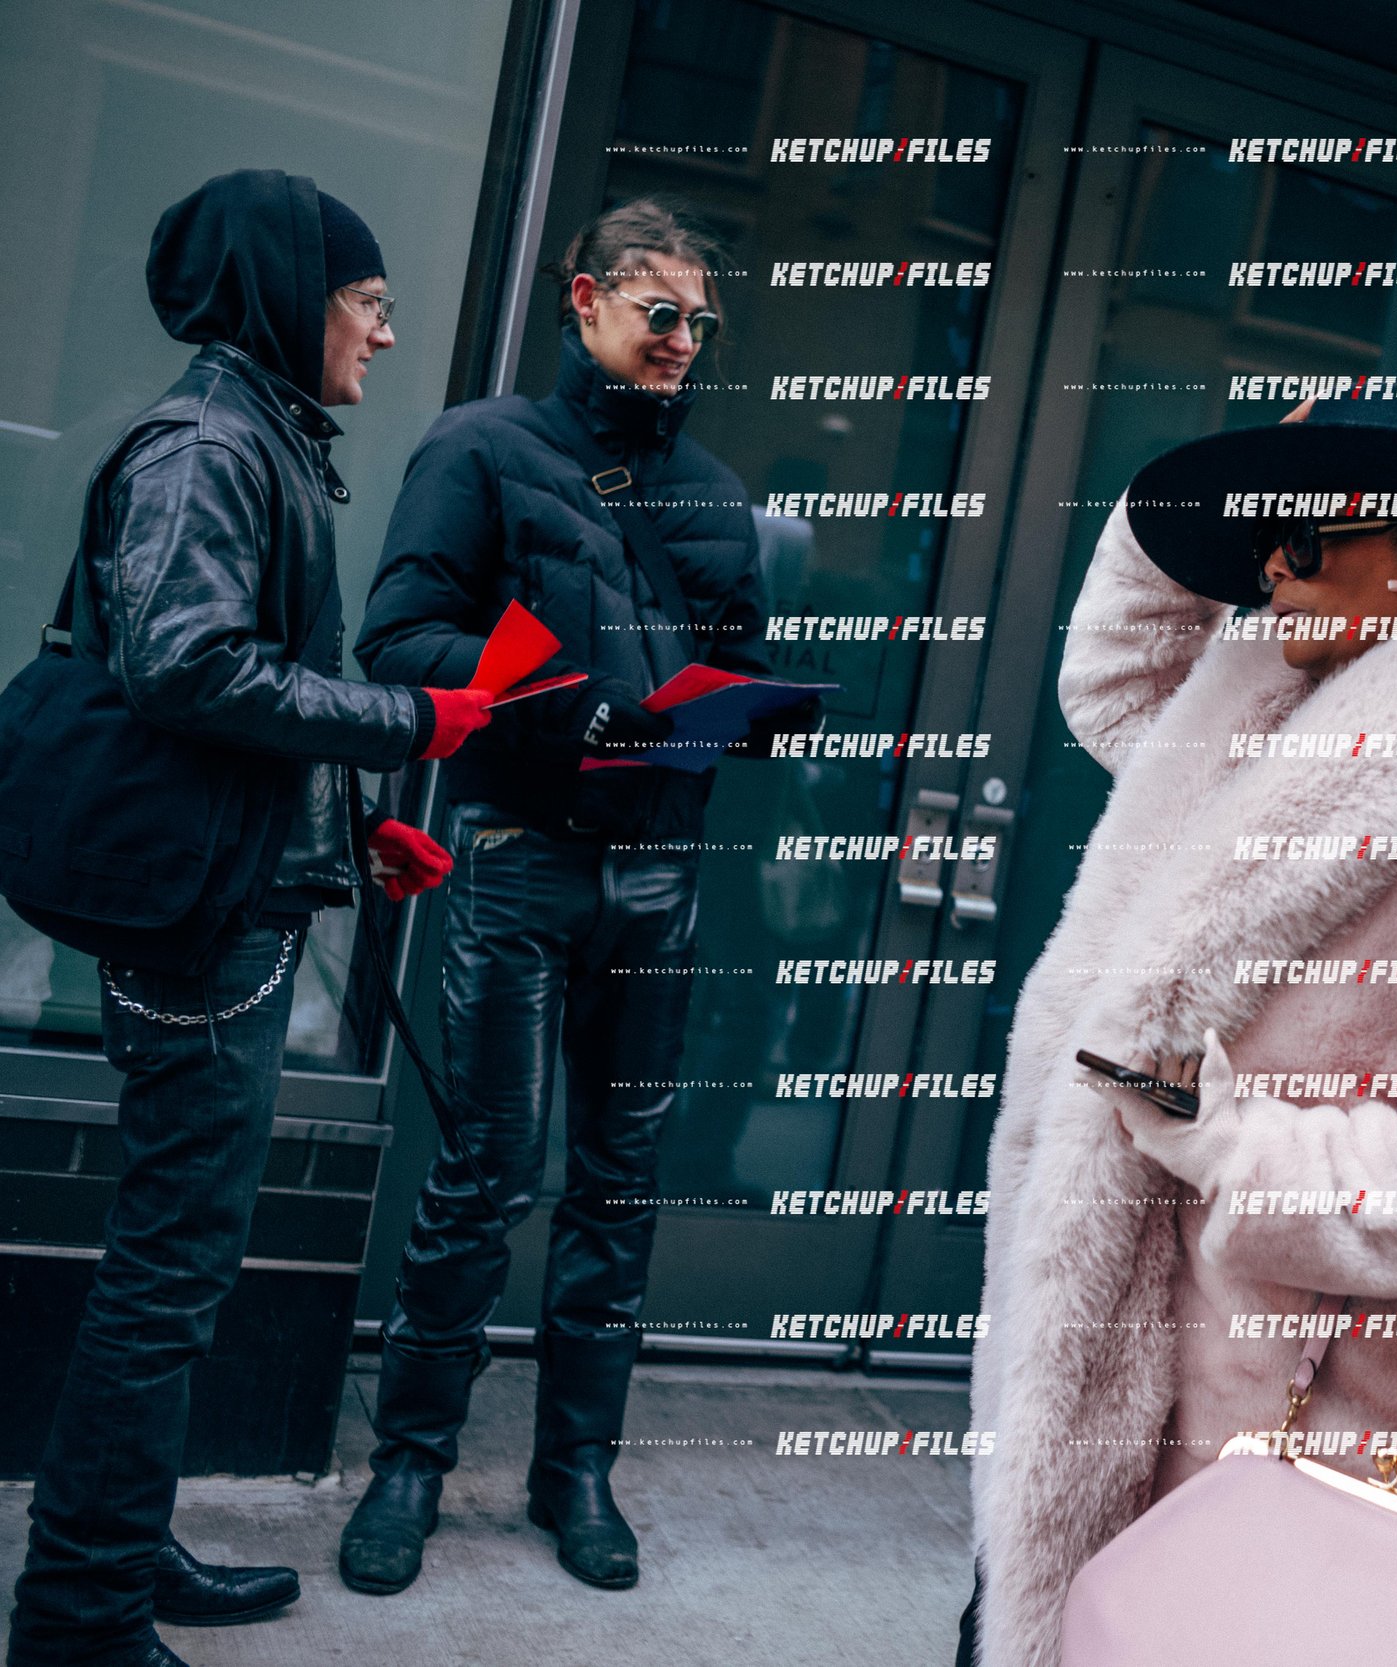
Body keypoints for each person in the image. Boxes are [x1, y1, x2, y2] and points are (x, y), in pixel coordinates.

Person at [953, 397, 1397, 1666]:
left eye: (1302, 536)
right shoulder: (1263, 727)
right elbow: (1118, 676)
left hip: (1326, 1426)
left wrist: (1225, 1139)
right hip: (1129, 1388)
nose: (1270, 566)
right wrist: (1221, 473)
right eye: (1260, 541)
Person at [6, 170, 490, 1667]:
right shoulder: (211, 441)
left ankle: (115, 1546)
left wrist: (357, 838)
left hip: (235, 889)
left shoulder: (260, 434)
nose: (386, 334)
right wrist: (415, 713)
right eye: (368, 300)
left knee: (177, 1262)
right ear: (292, 292)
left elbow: (223, 704)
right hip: (202, 922)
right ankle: (77, 1609)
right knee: (168, 1268)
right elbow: (190, 669)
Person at [344, 199, 791, 1595]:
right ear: (586, 299)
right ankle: (409, 1463)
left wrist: (754, 714)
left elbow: (736, 667)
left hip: (661, 876)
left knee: (624, 1184)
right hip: (523, 853)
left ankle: (574, 1469)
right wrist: (568, 689)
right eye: (662, 314)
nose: (682, 344)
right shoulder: (481, 446)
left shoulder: (717, 494)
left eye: (702, 324)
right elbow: (399, 639)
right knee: (486, 1172)